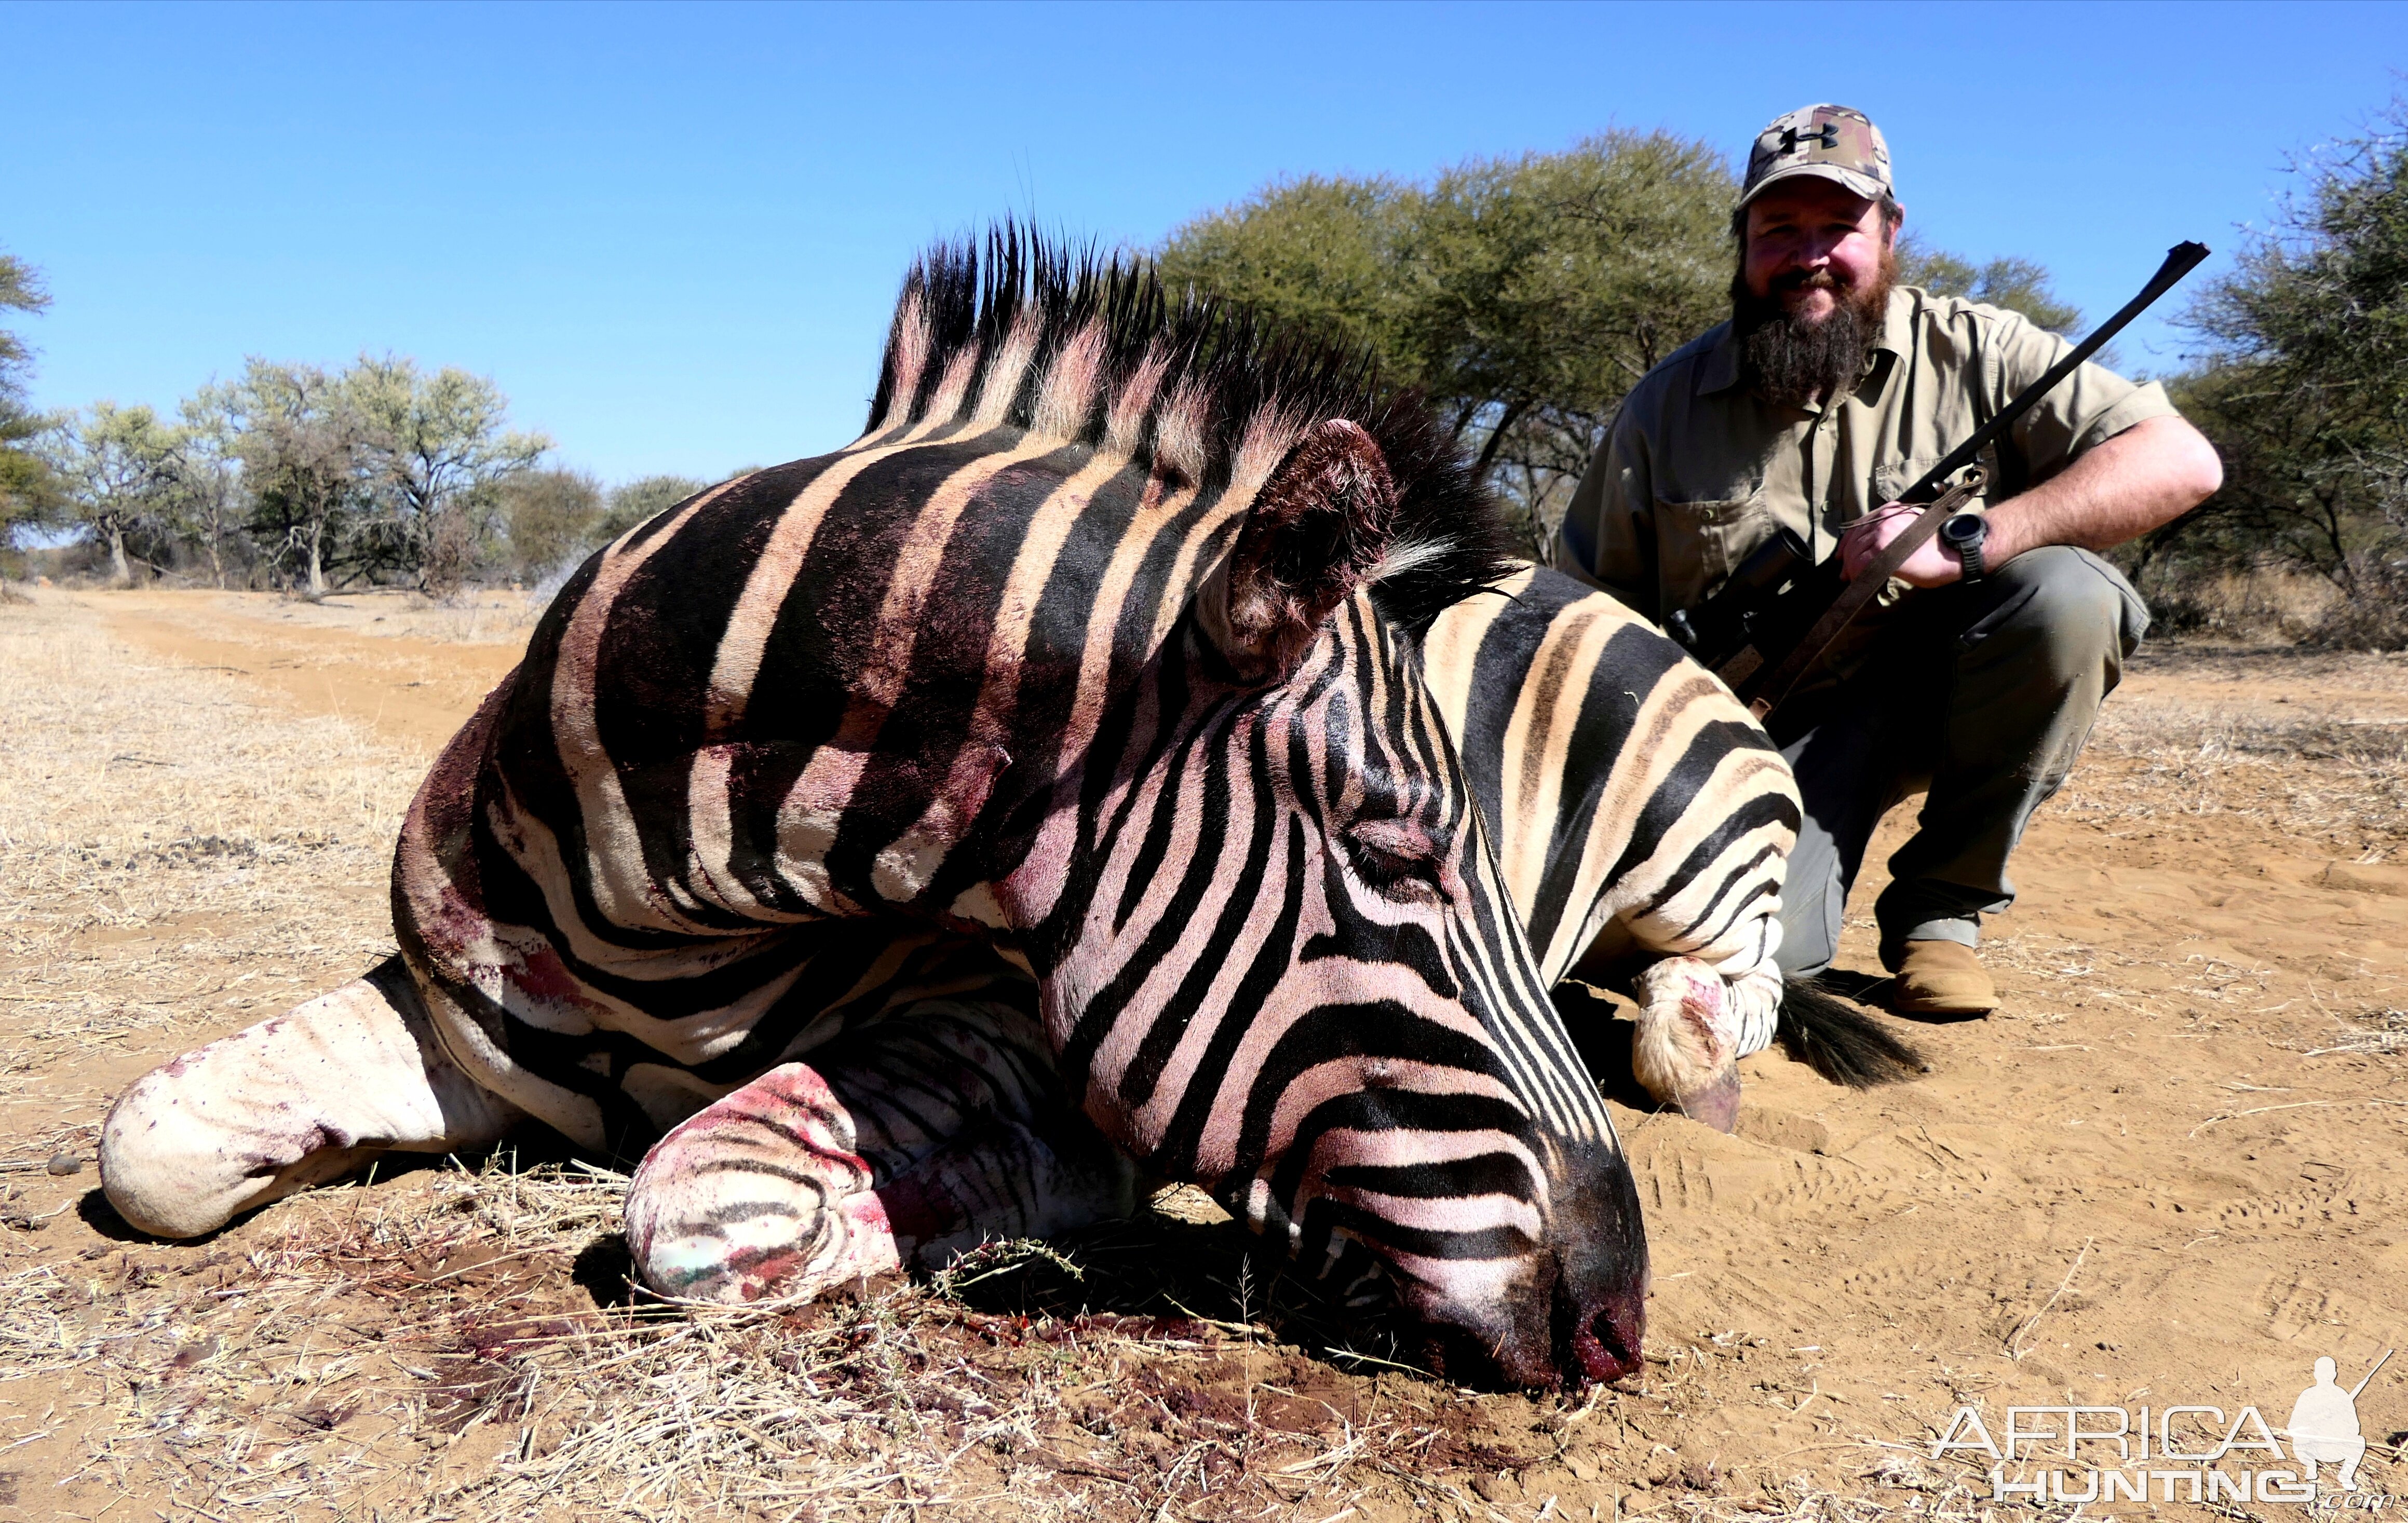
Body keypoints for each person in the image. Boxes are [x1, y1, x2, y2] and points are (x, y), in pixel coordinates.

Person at [1552, 103, 2223, 1017]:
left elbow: (2182, 461)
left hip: (1942, 695)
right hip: (1760, 731)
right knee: (1758, 963)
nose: (1808, 253)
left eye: (1838, 225)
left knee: (2069, 596)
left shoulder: (1982, 348)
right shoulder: (1663, 407)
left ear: (1890, 230)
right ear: (1741, 239)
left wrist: (1970, 539)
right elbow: (1584, 613)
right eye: (1778, 228)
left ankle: (1941, 915)